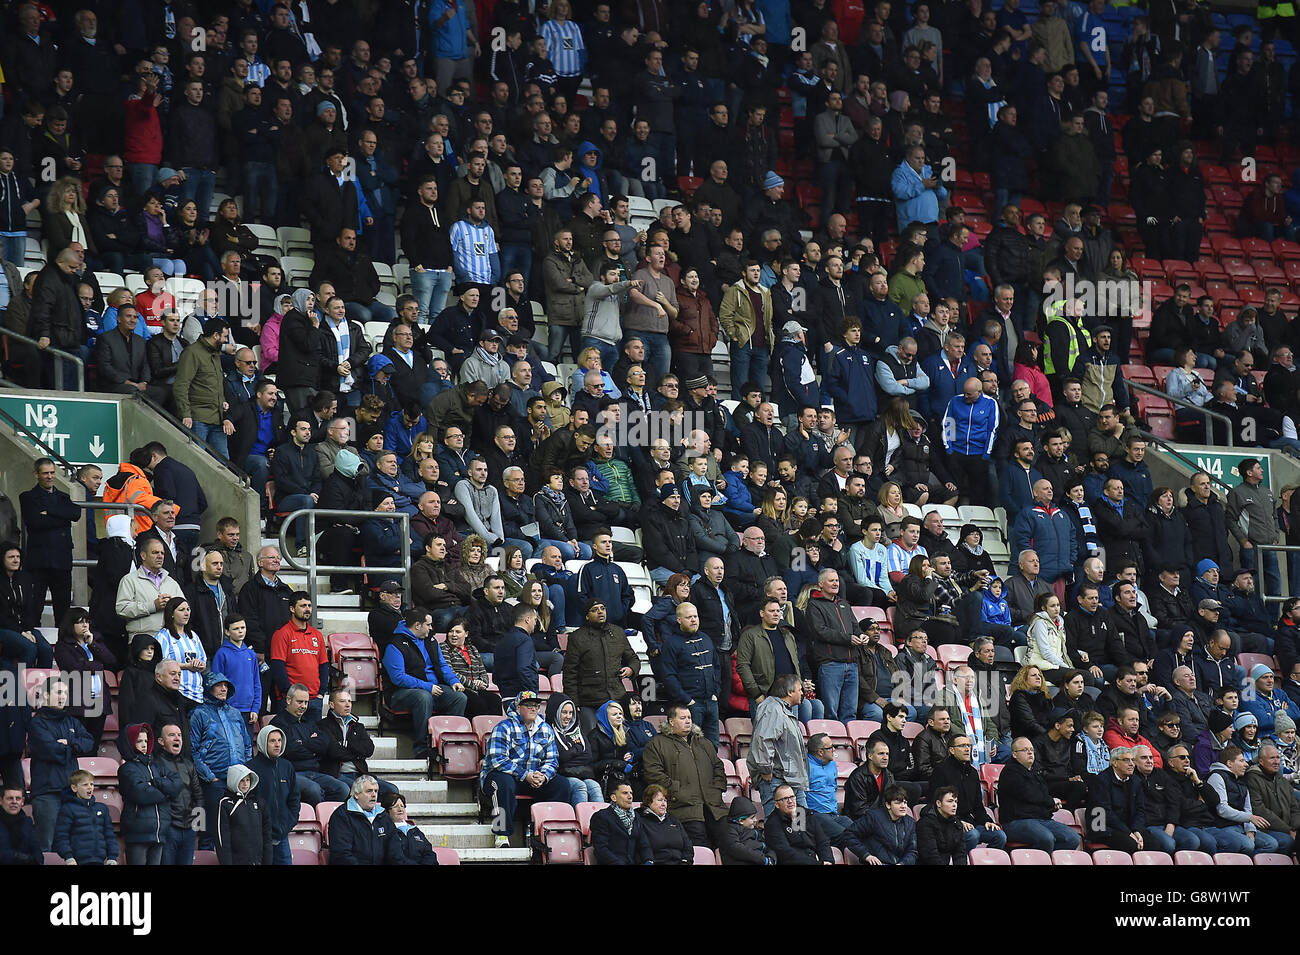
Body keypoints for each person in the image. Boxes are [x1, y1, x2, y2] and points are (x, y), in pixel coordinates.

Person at [480, 691, 571, 848]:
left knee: (562, 785)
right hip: (501, 775)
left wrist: (543, 776)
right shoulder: (503, 727)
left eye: (536, 705)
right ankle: (501, 834)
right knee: (503, 784)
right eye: (528, 705)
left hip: (533, 777)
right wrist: (525, 775)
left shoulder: (545, 729)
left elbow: (552, 759)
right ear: (517, 707)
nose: (533, 709)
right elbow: (498, 760)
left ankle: (547, 834)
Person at [381, 609, 468, 758]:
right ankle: (421, 748)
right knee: (423, 697)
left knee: (459, 698)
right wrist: (427, 686)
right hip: (400, 693)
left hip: (431, 688)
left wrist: (454, 681)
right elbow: (398, 677)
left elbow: (442, 665)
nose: (431, 628)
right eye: (428, 625)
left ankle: (447, 744)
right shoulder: (394, 645)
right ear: (417, 625)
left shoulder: (430, 640)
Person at [640, 702, 728, 848]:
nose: (688, 721)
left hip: (714, 808)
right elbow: (653, 775)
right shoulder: (656, 744)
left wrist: (717, 789)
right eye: (683, 718)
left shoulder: (704, 742)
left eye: (689, 717)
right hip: (684, 809)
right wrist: (678, 791)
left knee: (727, 847)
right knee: (701, 851)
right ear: (671, 721)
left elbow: (718, 767)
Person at [29, 678, 95, 851]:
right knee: (47, 845)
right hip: (47, 792)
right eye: (59, 692)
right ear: (46, 695)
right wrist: (72, 747)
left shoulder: (72, 721)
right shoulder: (37, 723)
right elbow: (51, 750)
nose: (63, 697)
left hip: (71, 792)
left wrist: (68, 744)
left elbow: (89, 742)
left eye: (65, 693)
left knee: (72, 845)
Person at [190, 672, 253, 850]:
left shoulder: (235, 713)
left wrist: (245, 771)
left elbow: (247, 744)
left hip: (237, 781)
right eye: (218, 685)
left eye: (226, 686)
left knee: (237, 829)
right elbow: (192, 750)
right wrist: (209, 777)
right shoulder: (198, 713)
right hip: (213, 781)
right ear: (209, 688)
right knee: (210, 829)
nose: (223, 688)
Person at [19, 458, 81, 626]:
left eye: (52, 472)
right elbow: (35, 522)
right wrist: (62, 516)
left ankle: (65, 648)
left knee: (64, 612)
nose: (49, 476)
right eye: (45, 473)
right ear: (36, 474)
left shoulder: (63, 497)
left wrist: (50, 511)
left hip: (61, 560)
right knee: (33, 609)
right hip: (39, 562)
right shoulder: (27, 497)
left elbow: (76, 514)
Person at [998, 736, 1083, 851]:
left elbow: (1041, 796)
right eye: (1025, 750)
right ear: (1014, 754)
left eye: (1031, 750)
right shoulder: (1009, 772)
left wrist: (1051, 806)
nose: (1030, 753)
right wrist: (1050, 801)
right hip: (1016, 821)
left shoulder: (1035, 772)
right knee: (1046, 838)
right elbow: (1028, 794)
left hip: (1041, 820)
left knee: (1073, 838)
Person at [271, 684, 350, 806]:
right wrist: (312, 747)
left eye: (306, 703)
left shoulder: (308, 722)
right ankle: (315, 818)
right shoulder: (278, 723)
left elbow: (325, 743)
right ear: (288, 700)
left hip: (315, 772)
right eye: (300, 702)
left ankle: (327, 818)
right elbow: (289, 750)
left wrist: (303, 743)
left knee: (343, 789)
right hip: (292, 773)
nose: (303, 706)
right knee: (314, 790)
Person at [930, 733, 1008, 852]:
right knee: (973, 835)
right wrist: (956, 821)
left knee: (999, 835)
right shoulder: (941, 771)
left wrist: (987, 821)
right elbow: (935, 804)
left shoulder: (972, 773)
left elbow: (978, 806)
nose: (967, 749)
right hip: (948, 823)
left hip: (970, 823)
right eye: (962, 746)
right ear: (952, 750)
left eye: (969, 745)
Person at [118, 722, 181, 866]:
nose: (144, 745)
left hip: (159, 832)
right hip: (137, 833)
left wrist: (154, 783)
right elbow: (142, 794)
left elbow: (177, 785)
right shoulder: (127, 769)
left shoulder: (157, 765)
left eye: (146, 741)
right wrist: (166, 791)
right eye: (139, 741)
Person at [749, 674, 812, 816]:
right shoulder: (772, 708)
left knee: (800, 825)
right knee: (776, 825)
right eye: (799, 689)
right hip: (777, 781)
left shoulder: (781, 709)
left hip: (793, 781)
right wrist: (765, 770)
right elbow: (763, 739)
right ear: (790, 692)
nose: (802, 693)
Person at [1206, 745, 1280, 856]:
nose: (1246, 764)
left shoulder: (1242, 781)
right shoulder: (1217, 777)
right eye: (1241, 761)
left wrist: (1250, 830)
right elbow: (1222, 809)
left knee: (1271, 844)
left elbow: (1247, 809)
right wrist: (1249, 818)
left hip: (1240, 826)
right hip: (1222, 826)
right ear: (1229, 763)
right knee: (1247, 845)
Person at [269, 593, 329, 718]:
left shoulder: (317, 635)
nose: (307, 609)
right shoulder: (282, 633)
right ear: (292, 609)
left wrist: (321, 693)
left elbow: (323, 665)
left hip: (314, 700)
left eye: (309, 606)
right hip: (291, 700)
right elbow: (277, 666)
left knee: (314, 737)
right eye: (302, 606)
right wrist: (288, 693)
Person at [154, 722, 203, 865]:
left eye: (179, 735)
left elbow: (198, 795)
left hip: (189, 829)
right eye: (171, 735)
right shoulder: (155, 764)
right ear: (161, 741)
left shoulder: (189, 764)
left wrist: (198, 826)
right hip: (168, 829)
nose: (177, 738)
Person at [1085, 746, 1147, 853]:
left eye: (1133, 760)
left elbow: (1140, 810)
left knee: (1154, 844)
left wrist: (1136, 830)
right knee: (1131, 845)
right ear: (1114, 763)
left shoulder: (1136, 781)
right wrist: (1129, 833)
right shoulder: (1101, 781)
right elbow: (1105, 813)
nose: (1132, 764)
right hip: (1102, 827)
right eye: (1126, 760)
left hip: (1126, 827)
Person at [52, 769, 118, 866]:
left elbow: (109, 835)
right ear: (74, 788)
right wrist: (68, 857)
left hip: (99, 861)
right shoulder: (67, 809)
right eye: (85, 785)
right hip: (77, 861)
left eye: (91, 784)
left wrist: (112, 857)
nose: (89, 787)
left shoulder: (102, 808)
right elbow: (61, 836)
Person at [843, 784, 918, 865]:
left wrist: (902, 863)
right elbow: (849, 834)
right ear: (888, 805)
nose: (903, 806)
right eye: (898, 803)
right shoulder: (874, 817)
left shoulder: (910, 822)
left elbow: (912, 851)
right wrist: (866, 855)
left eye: (905, 802)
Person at [589, 779, 653, 865]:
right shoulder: (601, 817)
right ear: (613, 798)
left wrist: (648, 860)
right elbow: (601, 849)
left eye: (631, 793)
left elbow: (644, 844)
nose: (630, 796)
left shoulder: (636, 816)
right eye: (625, 793)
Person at [0, 786, 43, 865]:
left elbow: (37, 851)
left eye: (18, 798)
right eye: (10, 798)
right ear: (1, 801)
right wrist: (19, 857)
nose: (14, 802)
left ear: (22, 801)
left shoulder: (27, 822)